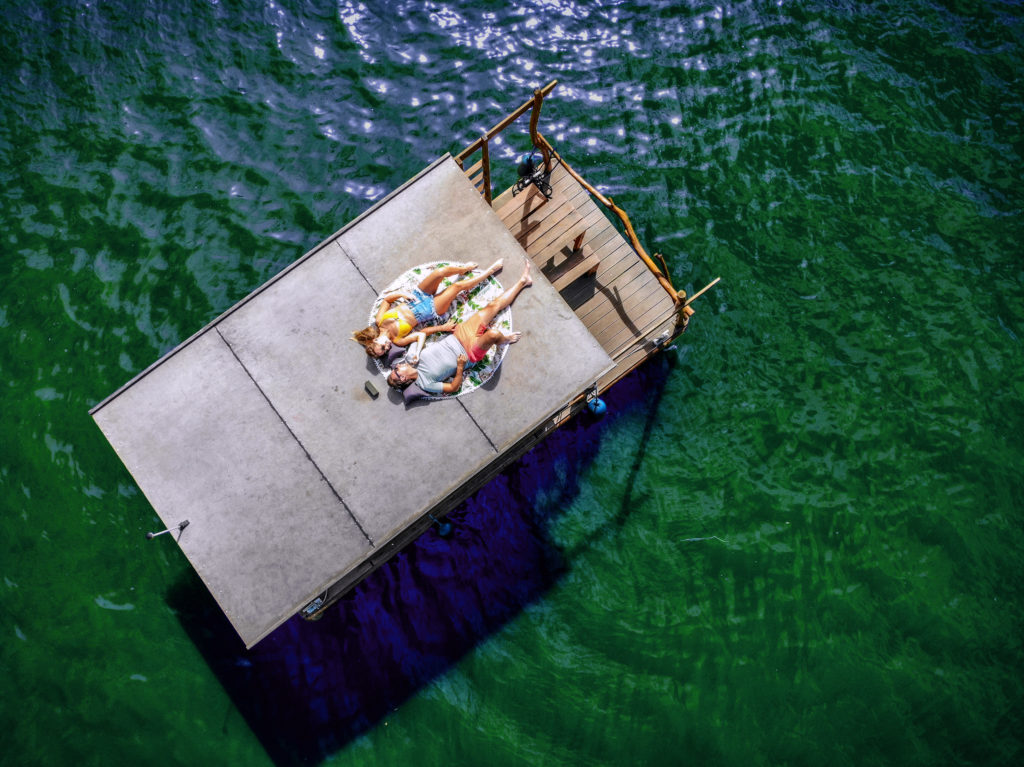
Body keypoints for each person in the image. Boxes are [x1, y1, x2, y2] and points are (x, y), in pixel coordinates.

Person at [388, 262, 532, 395]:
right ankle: (504, 339)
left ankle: (523, 281)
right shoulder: (425, 384)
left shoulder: (410, 358)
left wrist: (443, 328)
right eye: (397, 371)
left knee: (492, 306)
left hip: (458, 335)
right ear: (403, 379)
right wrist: (461, 367)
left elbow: (422, 333)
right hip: (469, 353)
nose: (398, 366)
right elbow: (453, 388)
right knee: (493, 335)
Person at [352, 260, 503, 358]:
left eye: (383, 347)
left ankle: (462, 270)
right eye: (385, 350)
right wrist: (418, 351)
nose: (387, 347)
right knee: (457, 287)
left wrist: (402, 294)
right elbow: (420, 334)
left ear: (376, 340)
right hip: (430, 309)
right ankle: (489, 271)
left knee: (440, 272)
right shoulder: (398, 340)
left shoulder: (379, 320)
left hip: (417, 296)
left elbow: (387, 299)